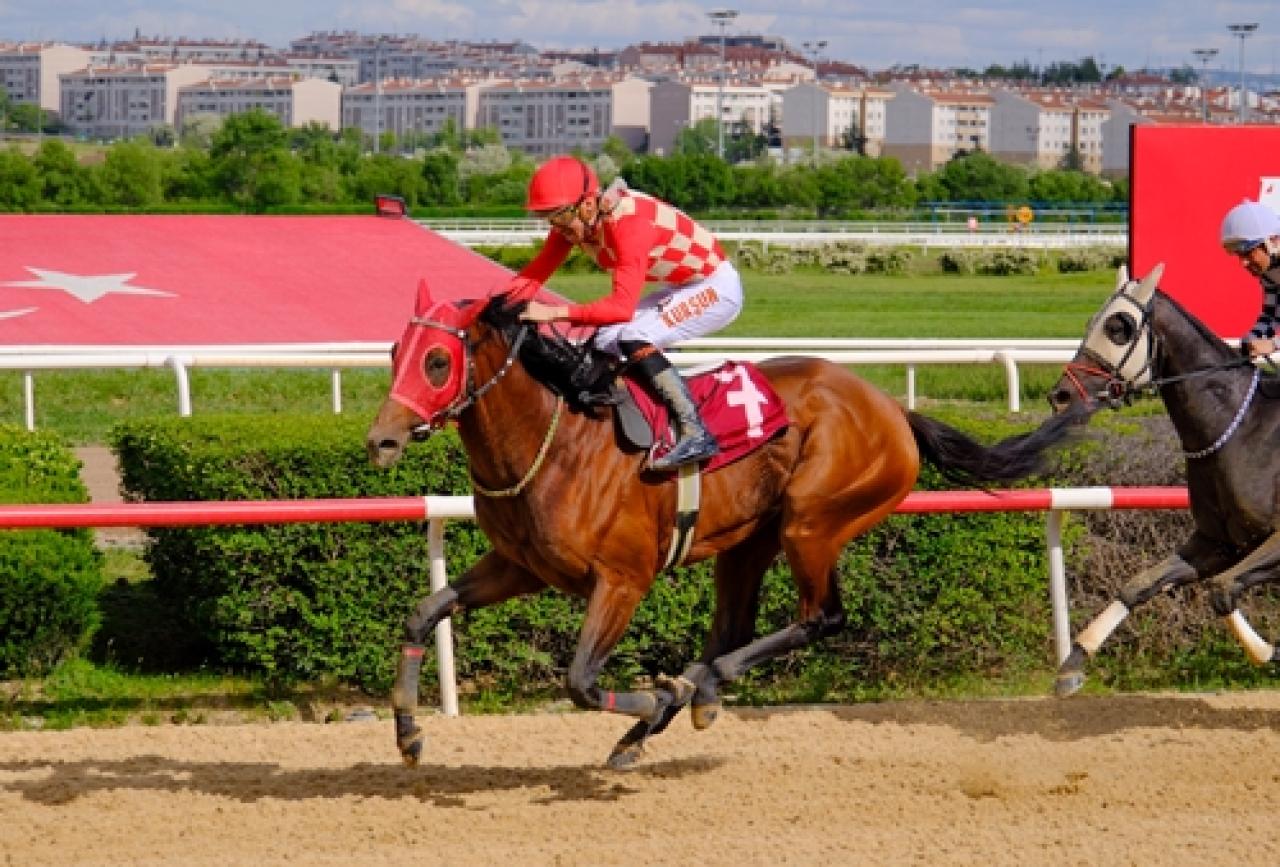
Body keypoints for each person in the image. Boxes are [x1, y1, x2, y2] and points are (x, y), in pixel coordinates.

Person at [511, 155, 744, 471]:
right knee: (605, 339)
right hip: (684, 286)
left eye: (559, 217)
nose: (556, 228)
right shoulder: (578, 221)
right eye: (548, 219)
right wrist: (485, 307)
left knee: (634, 335)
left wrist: (553, 314)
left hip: (717, 288)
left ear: (587, 205)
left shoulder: (629, 225)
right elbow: (533, 276)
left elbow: (620, 308)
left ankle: (695, 430)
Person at [1221, 199, 1280, 358]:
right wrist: (1250, 340)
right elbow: (1272, 317)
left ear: (1272, 242)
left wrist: (1274, 344)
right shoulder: (1270, 271)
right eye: (1239, 255)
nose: (1243, 263)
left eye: (1248, 252)